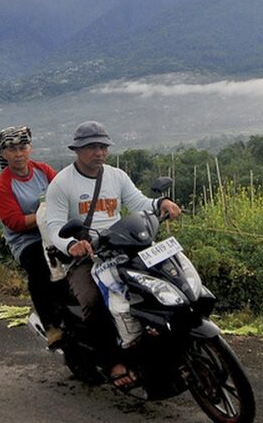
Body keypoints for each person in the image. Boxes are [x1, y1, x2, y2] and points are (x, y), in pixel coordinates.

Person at [44, 120, 181, 391]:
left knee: (164, 283)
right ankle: (112, 361)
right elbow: (54, 225)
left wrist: (160, 203)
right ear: (77, 150)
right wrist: (72, 245)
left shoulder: (116, 176)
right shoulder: (62, 183)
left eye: (103, 147)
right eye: (92, 147)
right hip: (85, 258)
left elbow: (139, 202)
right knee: (94, 301)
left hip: (123, 248)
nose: (99, 153)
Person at [0, 125, 65, 347]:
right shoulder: (3, 186)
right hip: (27, 240)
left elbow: (63, 192)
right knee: (41, 269)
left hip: (54, 232)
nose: (18, 154)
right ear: (4, 154)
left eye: (23, 147)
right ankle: (51, 325)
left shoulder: (43, 171)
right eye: (12, 149)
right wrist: (43, 214)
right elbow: (14, 222)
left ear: (30, 148)